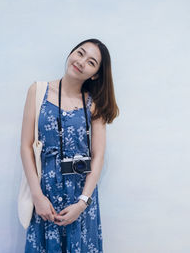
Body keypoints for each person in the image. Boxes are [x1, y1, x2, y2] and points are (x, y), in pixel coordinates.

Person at [20, 38, 119, 252]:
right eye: (80, 53)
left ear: (95, 74)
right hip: (45, 194)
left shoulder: (95, 104)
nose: (82, 62)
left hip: (79, 197)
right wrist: (37, 196)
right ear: (71, 53)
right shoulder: (38, 91)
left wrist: (82, 203)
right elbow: (26, 146)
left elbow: (98, 155)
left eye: (91, 62)